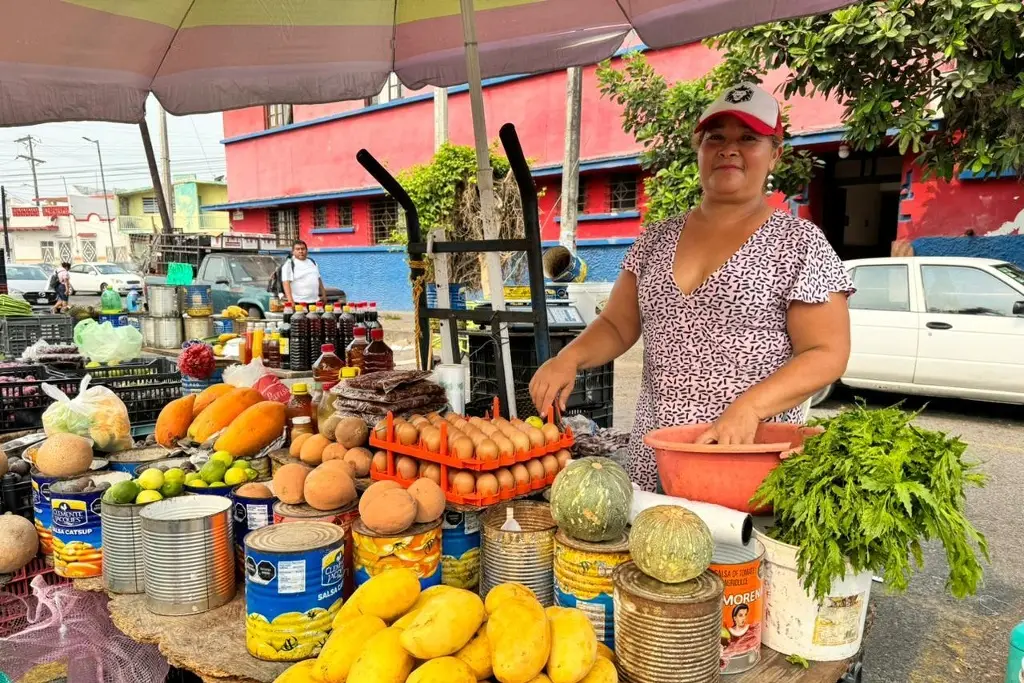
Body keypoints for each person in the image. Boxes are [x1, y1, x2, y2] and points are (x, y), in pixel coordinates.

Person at [529, 82, 854, 492]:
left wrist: (750, 408)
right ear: (699, 149)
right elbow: (616, 324)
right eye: (715, 137)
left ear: (775, 154)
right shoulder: (655, 239)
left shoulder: (800, 243)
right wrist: (569, 358)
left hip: (746, 458)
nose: (729, 149)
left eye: (748, 138)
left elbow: (826, 352)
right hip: (657, 457)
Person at [281, 240, 327, 305]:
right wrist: (290, 301)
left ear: (307, 250)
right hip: (298, 302)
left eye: (303, 249)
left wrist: (324, 295)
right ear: (293, 252)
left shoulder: (312, 262)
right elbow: (286, 283)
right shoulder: (289, 264)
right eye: (297, 249)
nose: (301, 251)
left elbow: (318, 279)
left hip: (315, 301)